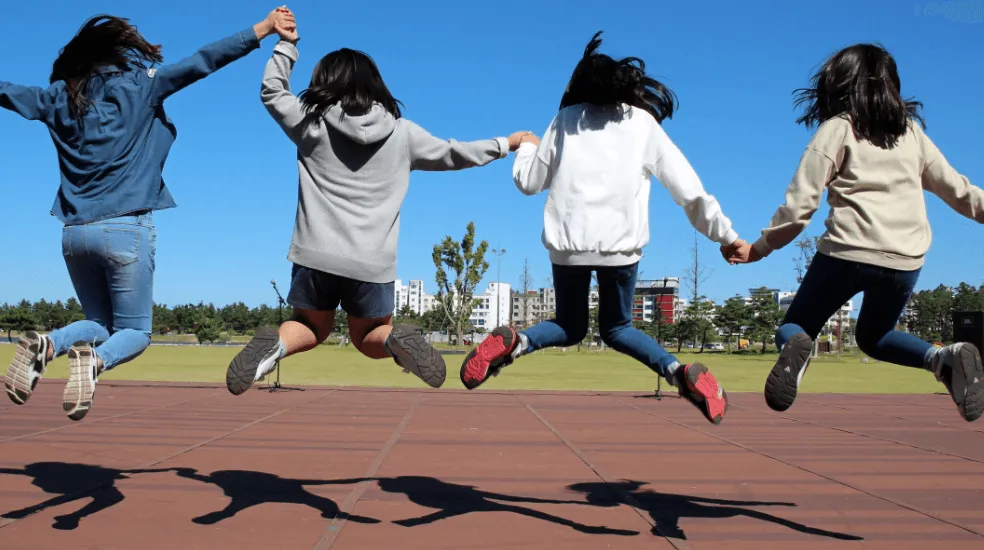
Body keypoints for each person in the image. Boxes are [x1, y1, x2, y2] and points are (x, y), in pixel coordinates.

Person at [1, 8, 294, 420]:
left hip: (73, 234)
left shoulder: (56, 98)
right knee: (136, 332)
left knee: (99, 325)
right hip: (126, 228)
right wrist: (262, 30)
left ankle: (48, 344)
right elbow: (203, 61)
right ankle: (94, 364)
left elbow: (7, 91)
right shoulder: (140, 86)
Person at [224, 11, 534, 395]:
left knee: (311, 327)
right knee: (369, 335)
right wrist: (507, 143)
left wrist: (286, 45)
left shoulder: (313, 124)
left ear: (325, 83)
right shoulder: (403, 134)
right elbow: (455, 153)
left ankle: (275, 346)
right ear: (375, 85)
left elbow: (272, 91)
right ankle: (395, 342)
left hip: (314, 255)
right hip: (372, 263)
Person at [457, 32, 741, 425]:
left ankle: (515, 343)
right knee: (617, 327)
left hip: (568, 247)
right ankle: (678, 373)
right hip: (620, 251)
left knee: (569, 325)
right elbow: (688, 189)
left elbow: (527, 182)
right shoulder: (642, 125)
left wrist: (525, 145)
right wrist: (726, 236)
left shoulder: (565, 121)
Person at [725, 43, 984, 422]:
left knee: (796, 326)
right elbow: (960, 192)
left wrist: (760, 248)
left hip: (846, 253)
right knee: (875, 337)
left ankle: (799, 347)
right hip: (904, 261)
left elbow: (800, 209)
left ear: (838, 85)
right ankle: (941, 357)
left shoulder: (838, 129)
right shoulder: (911, 135)